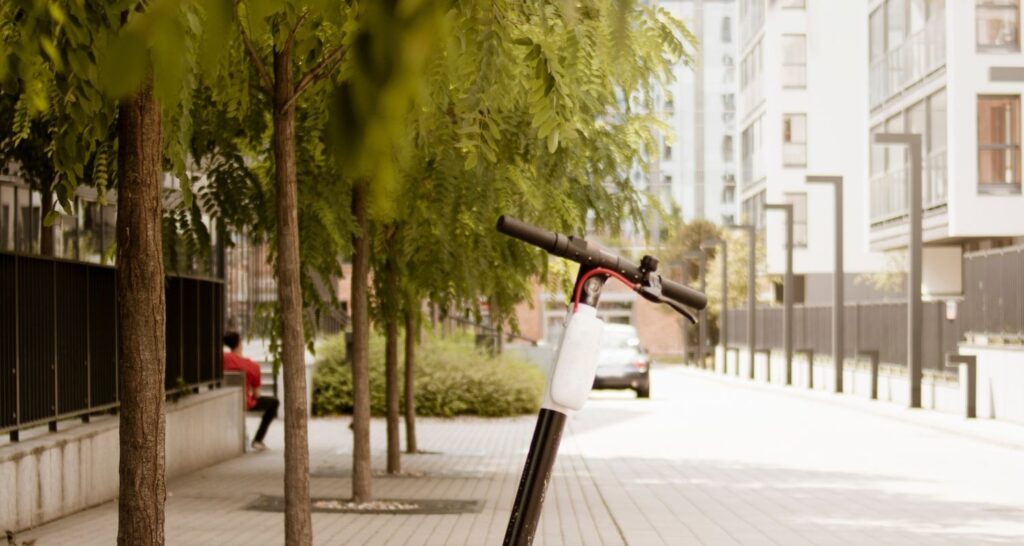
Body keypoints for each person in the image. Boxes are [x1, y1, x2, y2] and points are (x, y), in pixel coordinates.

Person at [223, 331, 279, 452]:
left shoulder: (222, 359)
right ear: (240, 343)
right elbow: (256, 394)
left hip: (223, 400)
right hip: (244, 401)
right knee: (274, 402)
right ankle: (258, 440)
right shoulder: (252, 366)